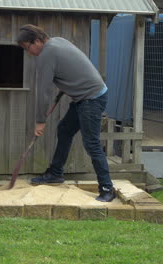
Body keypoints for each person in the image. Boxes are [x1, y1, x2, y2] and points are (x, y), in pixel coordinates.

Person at [16, 24, 115, 202]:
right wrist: (65, 86)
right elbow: (72, 69)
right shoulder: (58, 41)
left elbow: (43, 91)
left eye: (28, 47)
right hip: (85, 97)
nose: (29, 52)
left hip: (91, 98)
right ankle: (55, 173)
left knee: (91, 144)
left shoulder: (47, 54)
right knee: (64, 130)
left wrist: (40, 121)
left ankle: (107, 188)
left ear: (37, 41)